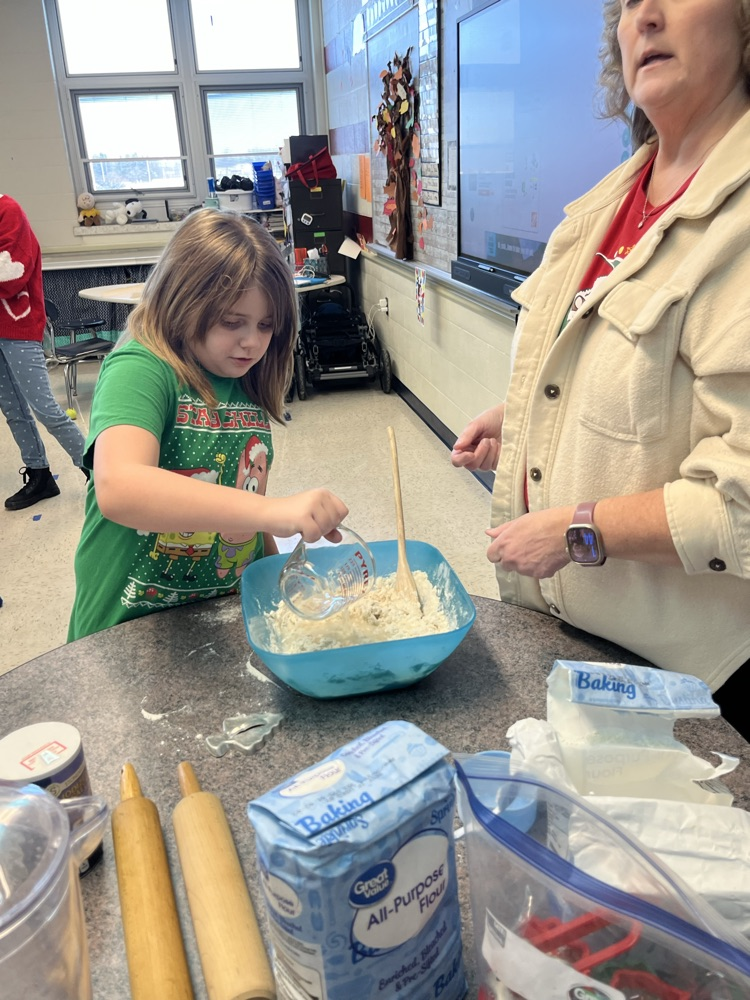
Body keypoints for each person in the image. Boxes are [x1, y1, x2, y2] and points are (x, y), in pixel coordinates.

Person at [451, 0, 750, 737]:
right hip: (576, 643)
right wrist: (520, 423)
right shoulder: (604, 208)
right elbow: (624, 381)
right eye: (626, 4)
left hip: (689, 688)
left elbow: (741, 504)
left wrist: (579, 531)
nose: (644, 16)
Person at [68, 209, 348, 640]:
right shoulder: (141, 367)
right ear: (181, 302)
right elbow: (119, 486)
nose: (252, 341)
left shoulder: (245, 379)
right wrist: (275, 512)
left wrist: (276, 576)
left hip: (217, 624)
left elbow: (246, 508)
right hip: (125, 630)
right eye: (231, 322)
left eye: (266, 325)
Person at [0, 193, 86, 509]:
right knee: (13, 411)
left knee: (45, 408)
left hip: (18, 327)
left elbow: (11, 273)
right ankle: (39, 475)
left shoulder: (7, 210)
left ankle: (97, 473)